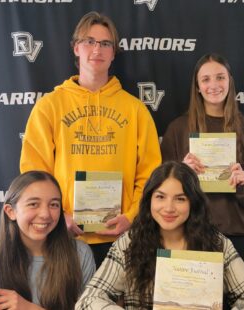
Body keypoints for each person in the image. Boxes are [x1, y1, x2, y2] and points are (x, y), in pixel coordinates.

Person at [19, 11, 161, 267]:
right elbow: (34, 171)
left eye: (106, 43)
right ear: (76, 48)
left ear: (114, 53)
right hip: (65, 235)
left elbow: (151, 174)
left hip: (121, 237)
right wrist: (59, 215)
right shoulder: (49, 106)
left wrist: (130, 216)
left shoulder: (135, 109)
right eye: (89, 41)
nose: (97, 49)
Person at [75, 161, 244, 309]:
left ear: (193, 203)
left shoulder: (216, 242)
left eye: (180, 198)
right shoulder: (129, 243)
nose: (168, 208)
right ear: (149, 201)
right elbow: (88, 300)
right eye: (160, 197)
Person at [161, 53, 244, 268]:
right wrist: (181, 174)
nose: (213, 85)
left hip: (236, 236)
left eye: (220, 77)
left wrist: (243, 186)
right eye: (205, 79)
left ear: (230, 82)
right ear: (197, 86)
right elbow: (159, 189)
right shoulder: (178, 129)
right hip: (187, 235)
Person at [0, 171, 95, 309]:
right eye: (33, 204)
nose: (45, 214)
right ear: (11, 211)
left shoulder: (80, 253)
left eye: (54, 205)